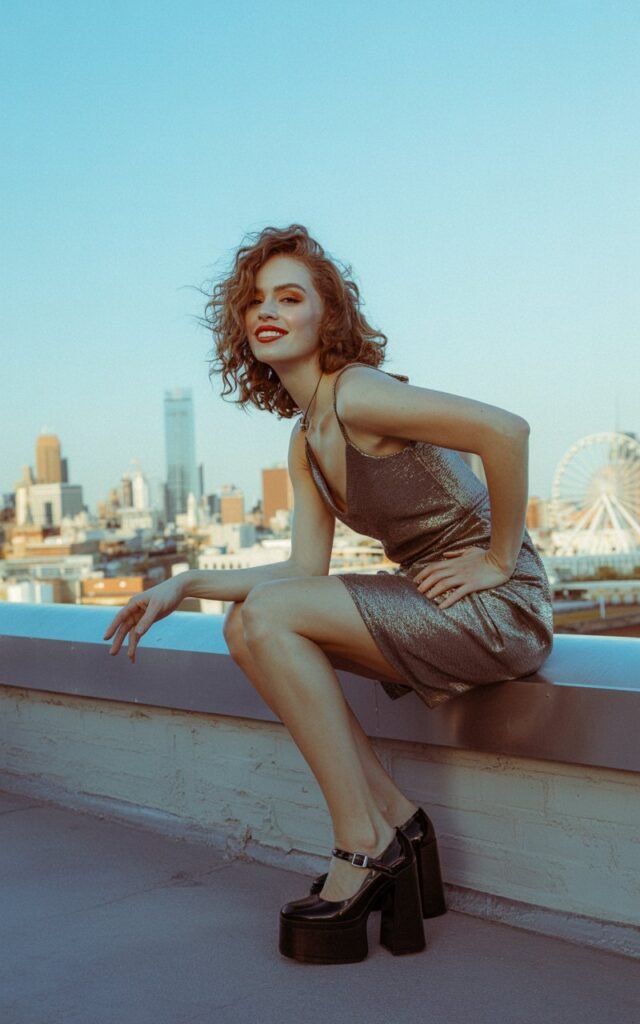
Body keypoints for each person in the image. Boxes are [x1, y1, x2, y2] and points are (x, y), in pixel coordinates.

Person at [103, 223, 554, 965]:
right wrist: (184, 583)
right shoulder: (305, 436)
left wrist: (501, 558)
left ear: (328, 317)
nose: (266, 312)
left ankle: (365, 843)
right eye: (254, 302)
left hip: (496, 606)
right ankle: (397, 822)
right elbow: (301, 571)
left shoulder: (361, 394)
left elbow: (506, 430)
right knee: (248, 625)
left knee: (266, 620)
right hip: (436, 599)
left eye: (289, 297)